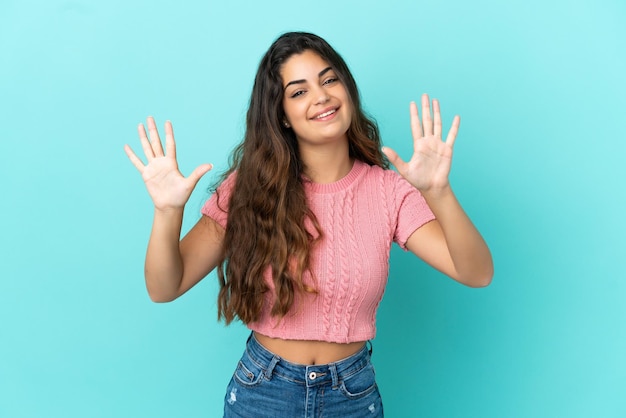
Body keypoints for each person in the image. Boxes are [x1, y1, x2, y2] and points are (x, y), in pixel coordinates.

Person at [124, 31, 493, 417]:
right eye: (298, 91)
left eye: (329, 79)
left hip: (352, 395)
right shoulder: (249, 189)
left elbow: (477, 272)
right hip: (264, 391)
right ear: (281, 113)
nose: (321, 97)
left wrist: (439, 191)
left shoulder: (388, 191)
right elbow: (164, 287)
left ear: (347, 89)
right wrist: (168, 212)